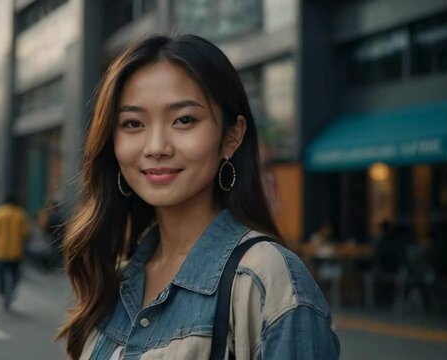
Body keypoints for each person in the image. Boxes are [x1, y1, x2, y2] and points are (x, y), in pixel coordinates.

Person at [56, 35, 340, 359]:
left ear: (231, 136)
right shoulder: (118, 277)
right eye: (133, 123)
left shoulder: (263, 278)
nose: (156, 147)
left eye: (184, 120)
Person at [0, 195, 30, 310]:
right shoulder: (21, 214)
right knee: (15, 276)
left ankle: (2, 294)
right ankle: (9, 294)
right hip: (16, 252)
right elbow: (26, 234)